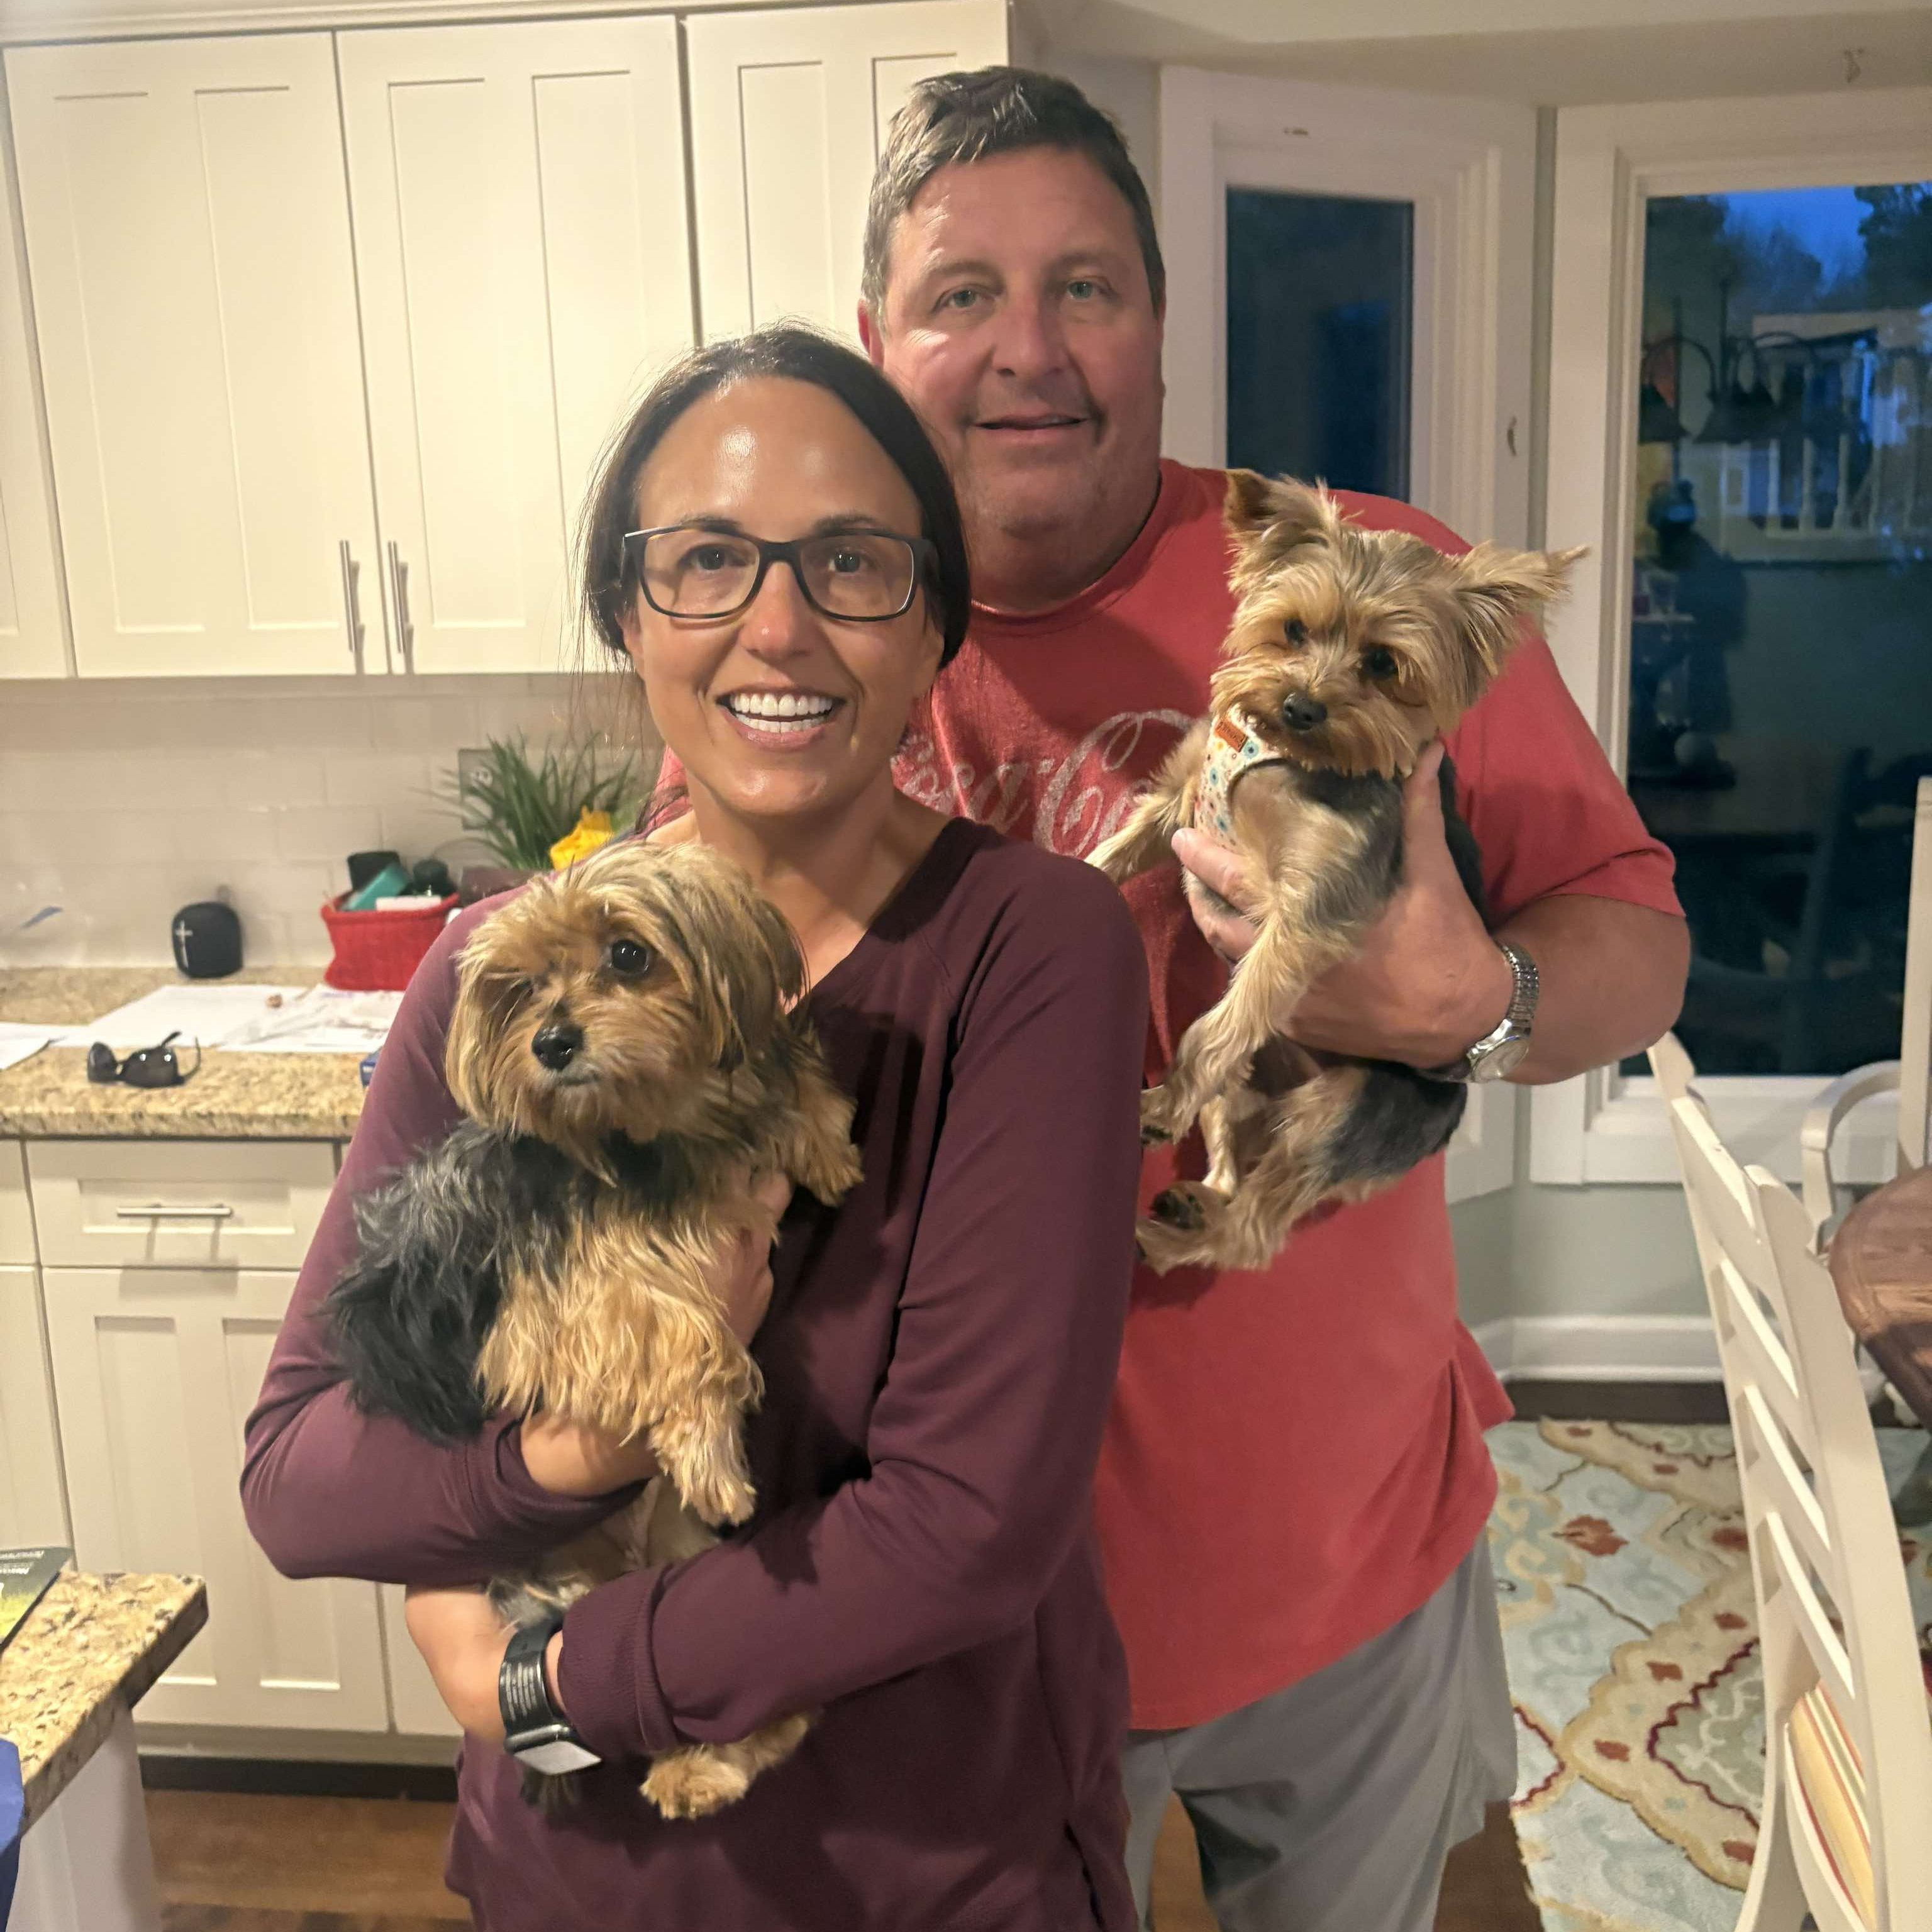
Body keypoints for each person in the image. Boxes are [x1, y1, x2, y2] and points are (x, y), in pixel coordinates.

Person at [848, 67, 1691, 1932]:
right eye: (962, 293)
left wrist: (1472, 1003)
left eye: (1086, 285)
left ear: (1162, 320)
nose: (1030, 349)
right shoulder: (808, 624)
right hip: (963, 1613)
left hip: (1348, 1577)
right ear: (878, 337)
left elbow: (1639, 940)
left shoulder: (1368, 574)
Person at [240, 325, 1150, 1931]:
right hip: (566, 1878)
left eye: (853, 561)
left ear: (935, 624)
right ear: (627, 611)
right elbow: (302, 1479)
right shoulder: (491, 977)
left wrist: (543, 1683)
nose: (776, 626)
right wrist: (580, 1454)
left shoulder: (1031, 949)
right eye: (707, 560)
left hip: (917, 1874)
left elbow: (964, 1535)